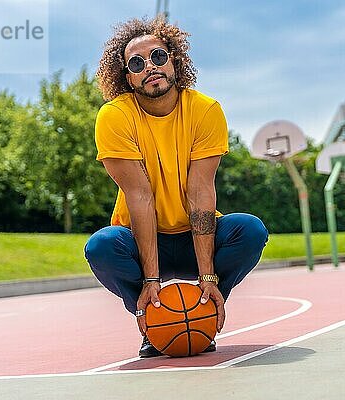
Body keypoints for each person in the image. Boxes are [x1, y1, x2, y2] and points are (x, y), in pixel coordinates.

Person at [84, 17, 268, 358]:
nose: (149, 67)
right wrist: (152, 281)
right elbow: (140, 197)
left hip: (196, 238)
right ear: (127, 77)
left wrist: (208, 277)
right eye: (136, 63)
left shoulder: (205, 110)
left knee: (250, 230)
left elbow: (200, 193)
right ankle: (154, 318)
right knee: (101, 246)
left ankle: (204, 309)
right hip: (141, 238)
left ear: (174, 60)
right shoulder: (114, 116)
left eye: (157, 56)